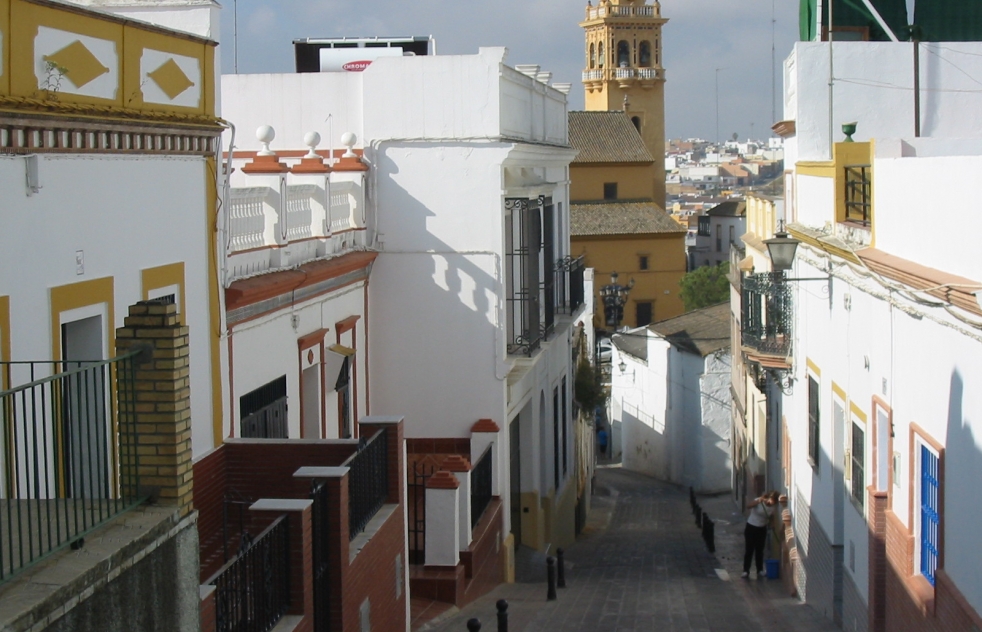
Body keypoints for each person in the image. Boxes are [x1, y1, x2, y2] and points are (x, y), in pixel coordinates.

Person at [742, 490, 779, 578]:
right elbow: (748, 506)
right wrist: (758, 501)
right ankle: (746, 570)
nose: (771, 503)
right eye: (771, 501)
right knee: (749, 550)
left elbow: (772, 516)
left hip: (762, 528)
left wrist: (772, 524)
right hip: (751, 527)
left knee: (760, 550)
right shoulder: (759, 501)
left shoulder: (773, 507)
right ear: (769, 498)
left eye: (774, 502)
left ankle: (760, 570)